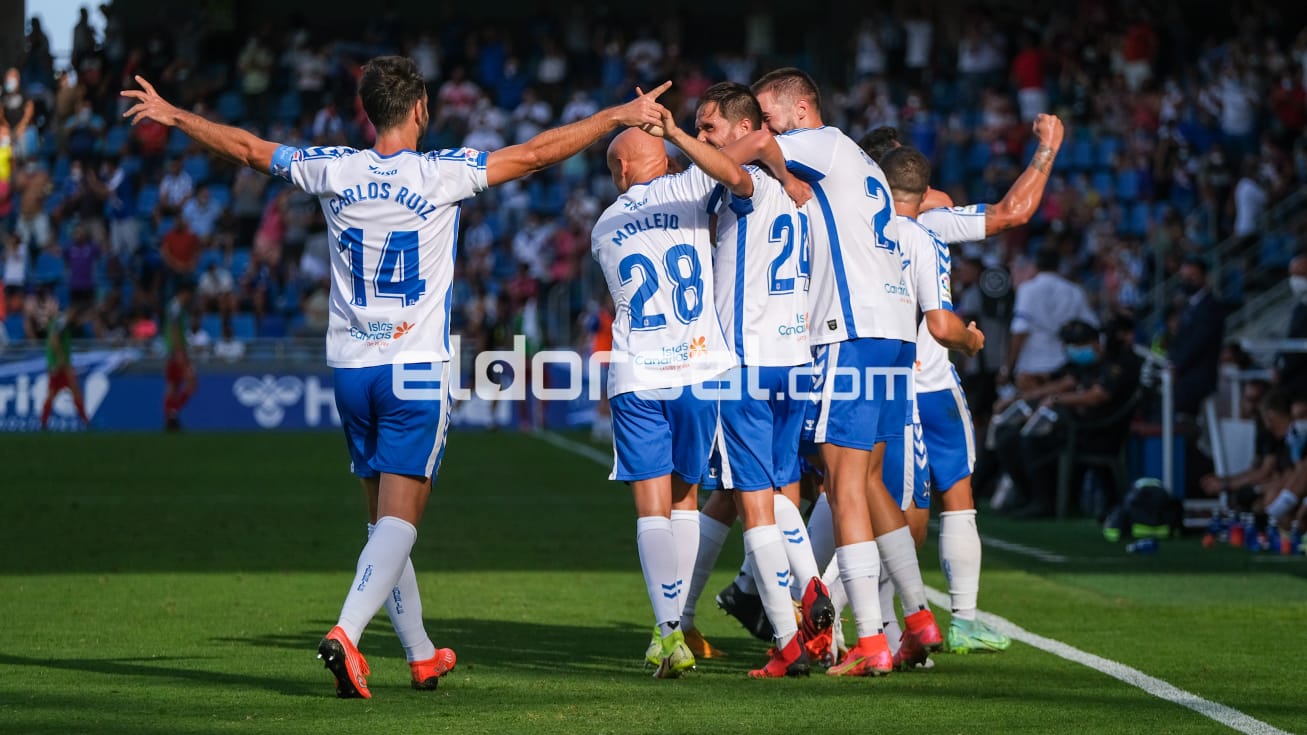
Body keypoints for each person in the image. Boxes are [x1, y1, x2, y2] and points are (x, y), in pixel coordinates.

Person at [123, 57, 670, 699]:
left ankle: (418, 653)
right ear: (419, 110)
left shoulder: (334, 167)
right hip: (413, 369)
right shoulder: (441, 173)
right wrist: (615, 116)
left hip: (351, 369)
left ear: (367, 111)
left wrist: (174, 114)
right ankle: (347, 633)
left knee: (382, 520)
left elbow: (246, 148)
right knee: (402, 520)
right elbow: (535, 155)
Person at [735, 67, 935, 676]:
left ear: (799, 109)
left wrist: (708, 144)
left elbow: (757, 148)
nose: (764, 128)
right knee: (871, 480)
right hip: (896, 330)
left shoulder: (815, 142)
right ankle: (920, 618)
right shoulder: (856, 159)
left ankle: (871, 640)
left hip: (854, 330)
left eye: (769, 114)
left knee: (841, 478)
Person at [674, 82, 830, 677]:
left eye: (710, 127)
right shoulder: (800, 190)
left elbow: (746, 157)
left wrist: (680, 136)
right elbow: (759, 149)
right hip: (794, 361)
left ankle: (791, 636)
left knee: (754, 502)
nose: (703, 138)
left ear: (743, 129)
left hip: (745, 359)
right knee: (774, 489)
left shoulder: (752, 183)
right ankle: (809, 593)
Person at [592, 103, 752, 676]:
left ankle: (667, 633)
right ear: (660, 155)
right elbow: (739, 176)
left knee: (651, 509)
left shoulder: (603, 227)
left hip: (638, 373)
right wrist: (684, 138)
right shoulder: (691, 186)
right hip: (699, 367)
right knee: (687, 498)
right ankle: (678, 623)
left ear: (621, 171)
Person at [877, 146, 1009, 655]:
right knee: (923, 508)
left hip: (868, 380)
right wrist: (971, 341)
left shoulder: (855, 226)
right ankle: (946, 621)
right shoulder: (927, 229)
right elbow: (1012, 213)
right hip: (924, 384)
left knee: (853, 499)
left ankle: (874, 627)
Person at [993, 320, 1141, 518]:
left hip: (1097, 431)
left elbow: (1097, 396)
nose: (1073, 350)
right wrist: (1020, 397)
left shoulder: (1119, 362)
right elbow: (1063, 383)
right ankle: (1027, 495)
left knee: (1032, 439)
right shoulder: (1085, 364)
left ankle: (1045, 502)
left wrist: (1056, 400)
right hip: (1076, 426)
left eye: (1078, 345)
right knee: (1008, 436)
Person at [1005, 247, 1097, 391]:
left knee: (1030, 408)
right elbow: (1091, 326)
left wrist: (1008, 367)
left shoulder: (1027, 289)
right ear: (1059, 265)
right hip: (1065, 363)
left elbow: (1020, 331)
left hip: (1032, 365)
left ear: (1035, 265)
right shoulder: (1074, 290)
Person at [1169, 257, 1224, 416]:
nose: (1187, 281)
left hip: (1197, 378)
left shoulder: (1211, 306)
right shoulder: (1189, 306)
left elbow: (1198, 344)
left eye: (1192, 277)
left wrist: (1176, 367)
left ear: (1204, 277)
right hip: (1185, 375)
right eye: (1184, 277)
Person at [41, 309, 90, 430]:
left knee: (54, 393)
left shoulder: (58, 322)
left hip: (57, 364)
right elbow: (54, 339)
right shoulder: (61, 322)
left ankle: (43, 422)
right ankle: (86, 421)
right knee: (69, 391)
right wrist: (60, 359)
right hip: (60, 365)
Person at [163, 283, 197, 431]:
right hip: (177, 352)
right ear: (184, 293)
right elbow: (174, 330)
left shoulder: (174, 307)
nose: (190, 298)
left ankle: (170, 419)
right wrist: (180, 353)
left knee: (173, 386)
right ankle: (172, 413)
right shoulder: (176, 308)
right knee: (192, 383)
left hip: (174, 351)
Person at [1274, 256, 1307, 397]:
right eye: (1292, 275)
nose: (1295, 280)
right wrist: (1278, 365)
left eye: (1300, 275)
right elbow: (1290, 338)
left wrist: (1283, 370)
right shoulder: (1299, 307)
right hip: (1293, 378)